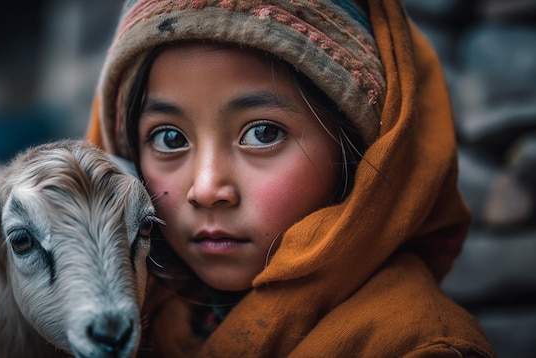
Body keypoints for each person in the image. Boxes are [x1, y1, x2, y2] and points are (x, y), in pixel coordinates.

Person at [86, 0, 496, 356]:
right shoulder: (120, 322)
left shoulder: (415, 345)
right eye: (169, 138)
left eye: (263, 133)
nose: (207, 189)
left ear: (358, 149)